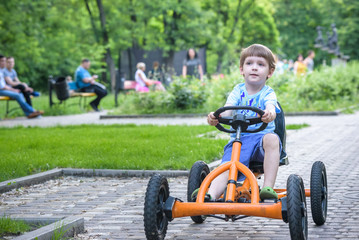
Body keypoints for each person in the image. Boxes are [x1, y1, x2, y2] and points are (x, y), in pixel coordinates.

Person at [200, 44, 281, 201]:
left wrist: (270, 113)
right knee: (227, 166)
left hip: (261, 141)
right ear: (241, 70)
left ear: (270, 72)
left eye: (260, 64)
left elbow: (270, 106)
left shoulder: (267, 93)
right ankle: (210, 195)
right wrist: (215, 116)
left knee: (272, 138)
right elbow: (227, 110)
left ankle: (267, 187)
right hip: (240, 139)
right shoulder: (237, 91)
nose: (254, 68)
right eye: (249, 63)